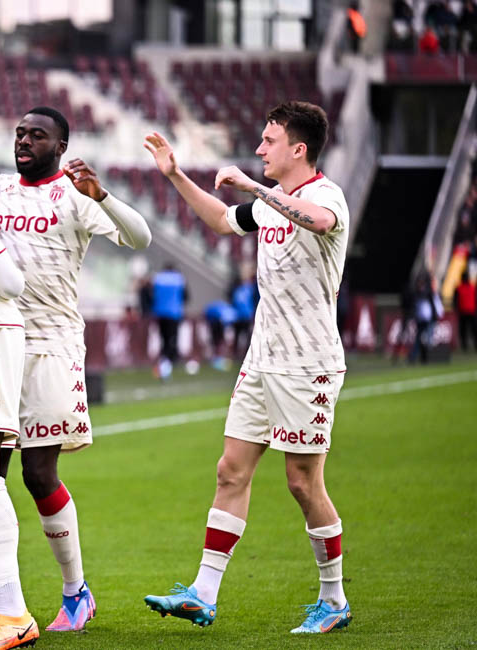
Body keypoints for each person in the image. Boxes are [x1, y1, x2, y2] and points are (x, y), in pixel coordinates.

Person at [142, 101, 352, 634]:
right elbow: (220, 219)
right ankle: (203, 593)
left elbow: (319, 221)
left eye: (269, 141)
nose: (259, 149)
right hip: (261, 360)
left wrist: (255, 188)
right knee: (230, 470)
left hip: (307, 363)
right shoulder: (269, 205)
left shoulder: (326, 195)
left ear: (298, 149)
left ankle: (334, 600)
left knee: (303, 483)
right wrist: (175, 176)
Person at [0, 107, 151, 638]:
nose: (24, 141)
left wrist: (102, 195)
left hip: (52, 346)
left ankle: (76, 591)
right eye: (20, 133)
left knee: (38, 474)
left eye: (37, 135)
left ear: (61, 146)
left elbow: (140, 238)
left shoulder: (75, 195)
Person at [151, 263, 188, 378]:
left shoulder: (158, 278)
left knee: (163, 338)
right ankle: (170, 362)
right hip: (174, 313)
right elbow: (185, 296)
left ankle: (163, 360)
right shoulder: (178, 278)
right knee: (173, 338)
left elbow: (153, 295)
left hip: (160, 312)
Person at [409, 273, 443, 364]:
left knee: (428, 338)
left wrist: (434, 315)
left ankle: (427, 357)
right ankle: (414, 357)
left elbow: (432, 305)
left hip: (428, 319)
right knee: (418, 338)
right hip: (420, 319)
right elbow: (414, 306)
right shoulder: (416, 293)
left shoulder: (428, 293)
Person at [457, 270, 477, 351]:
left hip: (464, 312)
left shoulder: (459, 288)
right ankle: (470, 345)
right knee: (472, 330)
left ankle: (465, 346)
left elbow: (456, 301)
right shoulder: (472, 287)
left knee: (464, 330)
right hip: (470, 312)